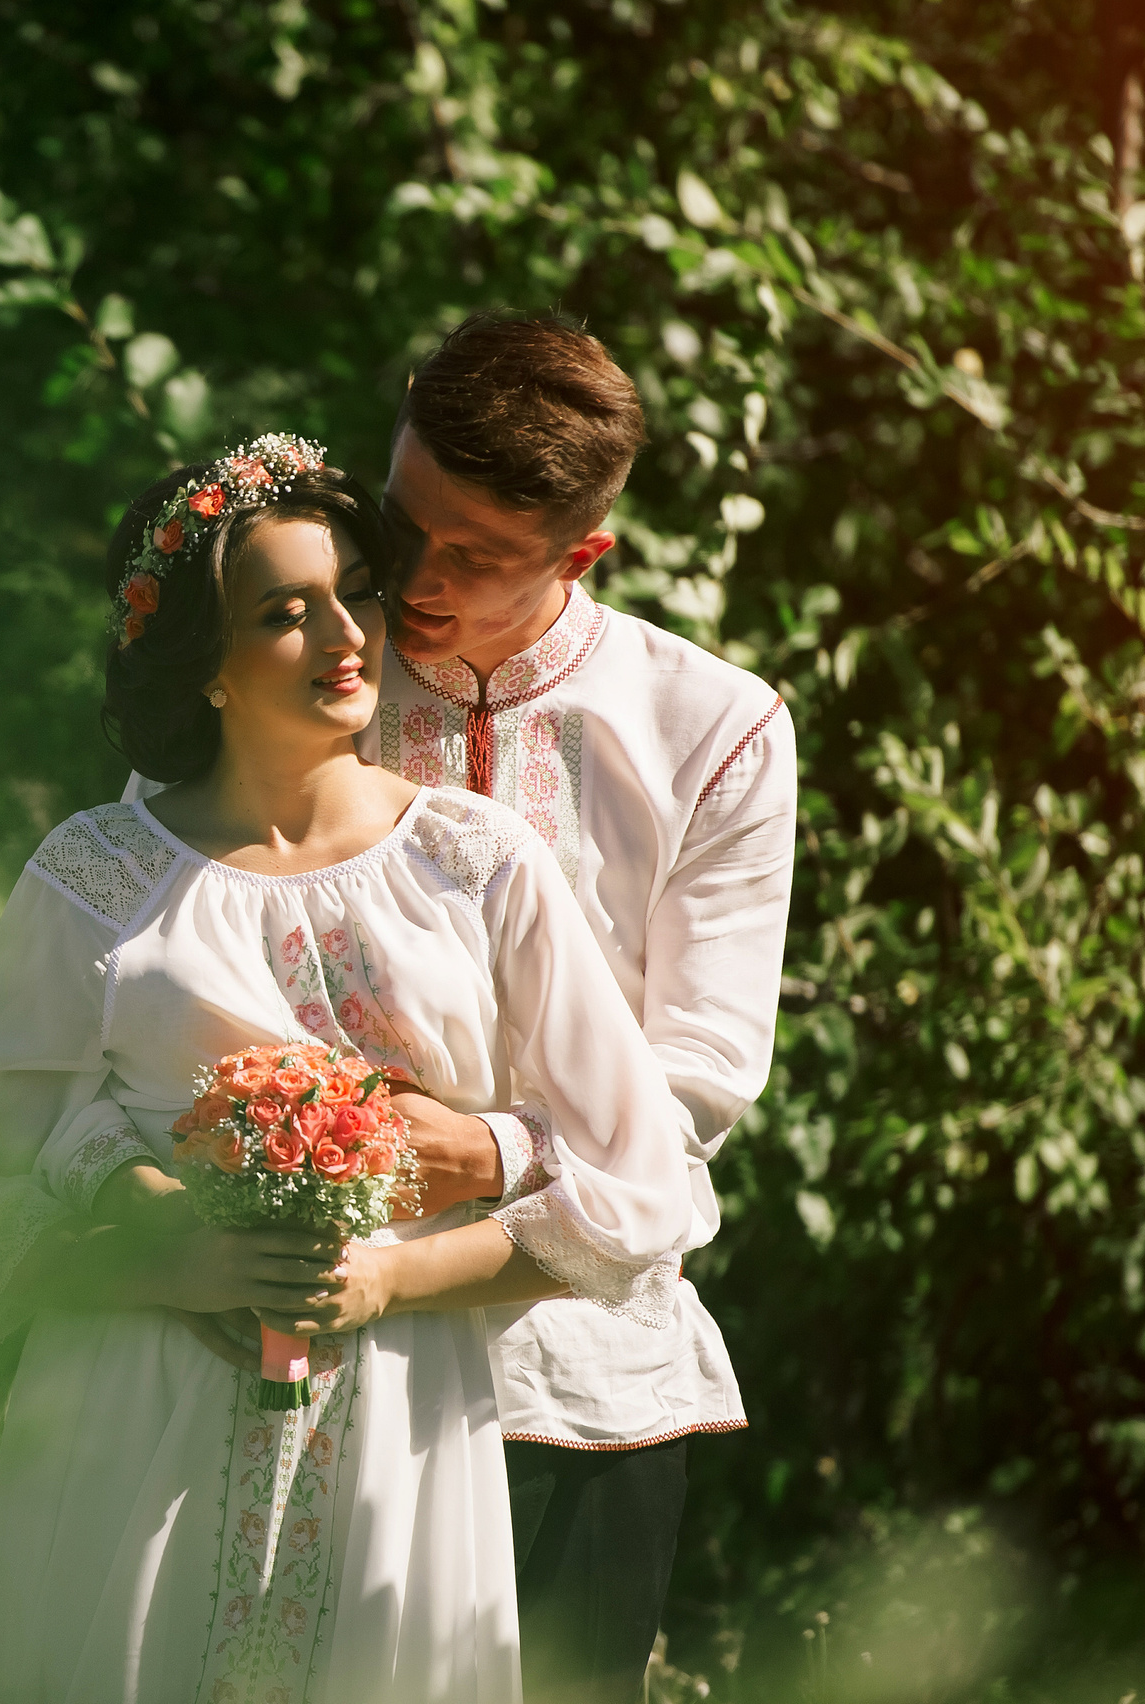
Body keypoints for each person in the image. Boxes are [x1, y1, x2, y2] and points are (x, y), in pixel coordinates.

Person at [0, 434, 704, 1704]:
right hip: (136, 1401)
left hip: (400, 1410)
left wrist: (389, 1275)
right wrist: (159, 1245)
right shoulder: (98, 877)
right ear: (206, 669)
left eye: (354, 591)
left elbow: (635, 1182)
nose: (347, 634)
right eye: (286, 612)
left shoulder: (474, 860)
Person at [356, 313, 798, 1703]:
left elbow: (700, 1078)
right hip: (328, 1345)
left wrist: (487, 1154)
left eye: (477, 557)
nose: (417, 579)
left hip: (590, 1368)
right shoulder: (306, 668)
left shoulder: (712, 726)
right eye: (403, 522)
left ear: (582, 554)